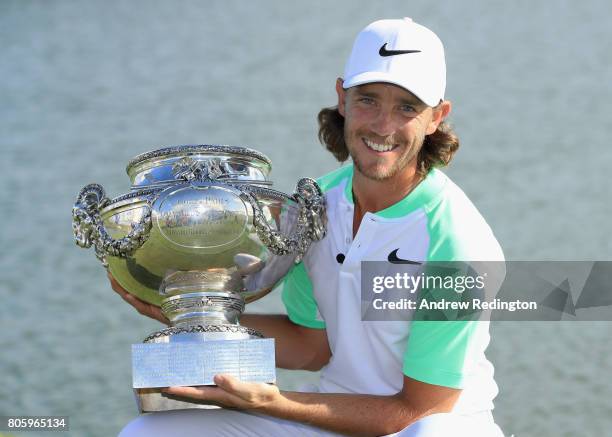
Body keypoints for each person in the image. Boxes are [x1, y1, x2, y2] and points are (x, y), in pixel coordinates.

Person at [114, 18, 505, 436]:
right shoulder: (312, 206)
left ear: (436, 118)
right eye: (368, 100)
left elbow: (418, 410)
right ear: (342, 98)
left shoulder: (460, 246)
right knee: (151, 432)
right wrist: (194, 317)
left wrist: (276, 403)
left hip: (433, 426)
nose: (382, 125)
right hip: (337, 413)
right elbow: (312, 344)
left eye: (407, 107)